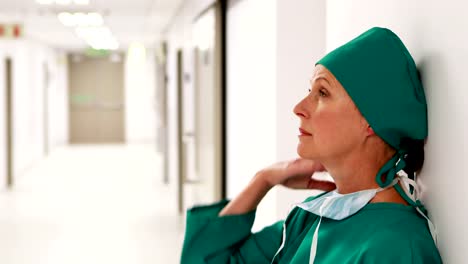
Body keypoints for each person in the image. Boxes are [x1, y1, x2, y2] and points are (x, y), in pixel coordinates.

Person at [180, 27, 442, 263]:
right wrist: (264, 179)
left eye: (322, 93)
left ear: (373, 120)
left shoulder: (395, 248)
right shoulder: (314, 217)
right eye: (310, 91)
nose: (298, 108)